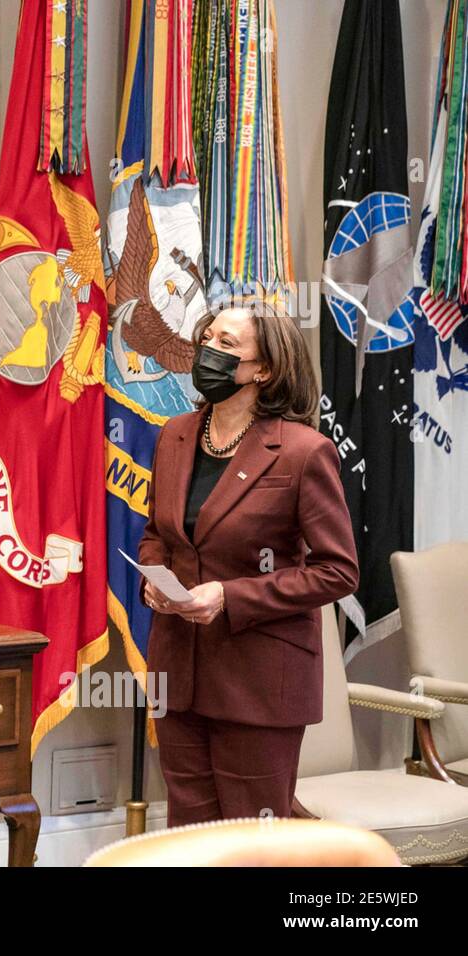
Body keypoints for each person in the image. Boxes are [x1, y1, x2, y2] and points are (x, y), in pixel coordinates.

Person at [138, 302, 360, 826]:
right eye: (207, 337)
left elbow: (337, 571)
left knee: (252, 843)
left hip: (259, 681)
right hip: (180, 672)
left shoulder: (304, 452)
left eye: (228, 344)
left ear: (264, 369)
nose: (208, 351)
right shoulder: (175, 434)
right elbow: (158, 535)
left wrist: (230, 597)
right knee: (190, 838)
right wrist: (155, 579)